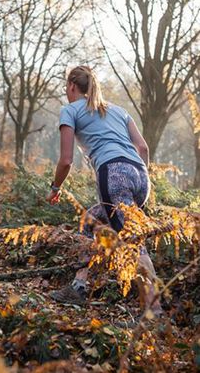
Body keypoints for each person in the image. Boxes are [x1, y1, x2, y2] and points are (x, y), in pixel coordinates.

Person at [46, 66, 162, 315]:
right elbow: (143, 149)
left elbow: (66, 161)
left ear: (71, 86)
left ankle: (156, 313)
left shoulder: (69, 110)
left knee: (133, 242)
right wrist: (140, 182)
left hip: (114, 175)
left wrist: (55, 188)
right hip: (140, 176)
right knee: (90, 221)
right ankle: (78, 287)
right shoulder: (119, 111)